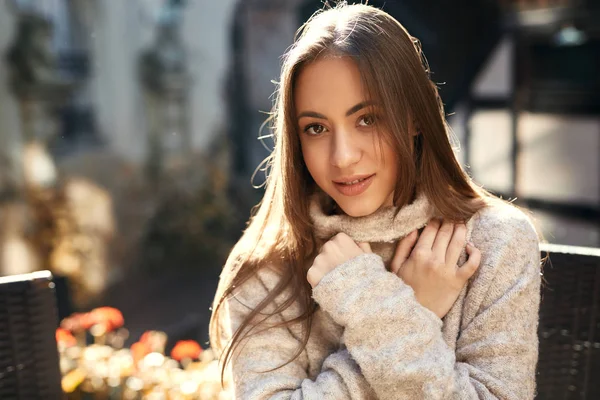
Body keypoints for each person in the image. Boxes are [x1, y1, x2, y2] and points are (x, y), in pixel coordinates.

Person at [209, 3, 541, 399]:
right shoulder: (269, 265)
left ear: (415, 117)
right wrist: (405, 309)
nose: (343, 156)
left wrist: (375, 310)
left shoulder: (495, 241)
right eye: (316, 128)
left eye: (368, 119)